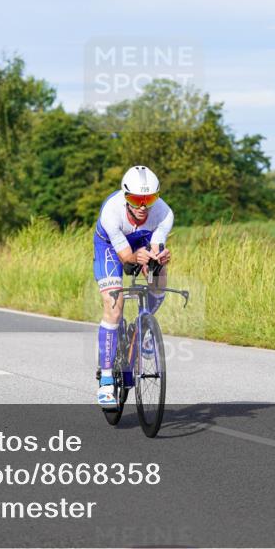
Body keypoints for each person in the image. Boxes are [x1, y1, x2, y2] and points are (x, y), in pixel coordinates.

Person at [92, 166, 174, 407]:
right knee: (114, 306)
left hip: (143, 239)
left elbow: (156, 248)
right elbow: (126, 258)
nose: (142, 206)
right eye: (136, 199)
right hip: (110, 247)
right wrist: (137, 256)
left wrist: (158, 258)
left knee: (158, 274)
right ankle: (107, 381)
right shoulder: (111, 212)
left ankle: (143, 327)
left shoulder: (164, 213)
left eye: (148, 199)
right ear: (125, 197)